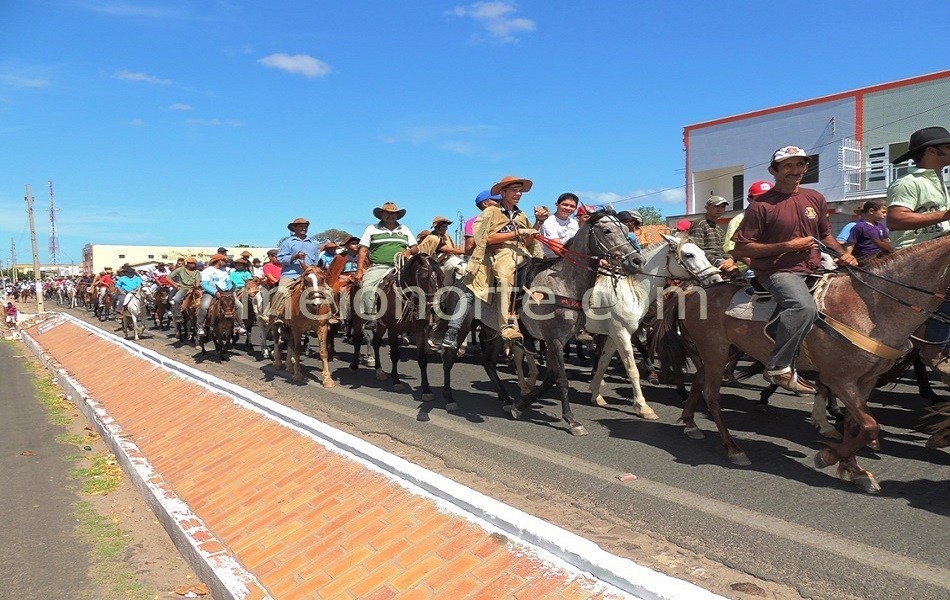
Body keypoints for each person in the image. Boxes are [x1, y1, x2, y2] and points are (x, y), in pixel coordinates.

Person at [732, 145, 857, 394]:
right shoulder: (760, 206)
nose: (795, 170)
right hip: (778, 272)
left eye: (800, 164)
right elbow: (740, 249)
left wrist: (844, 256)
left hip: (814, 267)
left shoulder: (815, 198)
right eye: (787, 165)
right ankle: (778, 366)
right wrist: (787, 246)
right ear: (773, 170)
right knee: (803, 307)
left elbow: (825, 235)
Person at [886, 126, 950, 378]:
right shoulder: (908, 182)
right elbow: (896, 220)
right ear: (932, 151)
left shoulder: (939, 183)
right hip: (914, 256)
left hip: (938, 254)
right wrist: (945, 215)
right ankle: (935, 350)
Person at [461, 175, 540, 342]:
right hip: (502, 253)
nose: (518, 194)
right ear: (503, 193)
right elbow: (485, 238)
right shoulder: (491, 212)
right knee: (504, 279)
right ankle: (505, 326)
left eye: (520, 191)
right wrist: (517, 232)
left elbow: (527, 242)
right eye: (514, 190)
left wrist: (538, 224)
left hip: (523, 253)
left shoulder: (521, 215)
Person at [353, 202, 418, 331]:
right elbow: (363, 250)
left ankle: (425, 316)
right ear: (381, 215)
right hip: (379, 266)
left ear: (397, 216)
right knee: (368, 286)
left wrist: (409, 251)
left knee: (423, 282)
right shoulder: (372, 229)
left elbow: (415, 248)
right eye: (387, 213)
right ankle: (369, 316)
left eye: (393, 214)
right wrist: (360, 270)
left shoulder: (404, 229)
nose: (390, 216)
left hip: (402, 265)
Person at [265, 218, 321, 325]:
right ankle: (275, 315)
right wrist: (295, 256)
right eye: (300, 226)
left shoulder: (313, 244)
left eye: (305, 227)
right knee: (281, 291)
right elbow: (280, 259)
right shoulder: (288, 242)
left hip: (309, 275)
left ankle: (333, 314)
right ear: (294, 228)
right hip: (291, 274)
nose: (304, 228)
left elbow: (316, 261)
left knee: (327, 290)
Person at [724, 180, 773, 273]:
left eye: (769, 197)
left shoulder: (780, 217)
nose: (766, 201)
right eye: (760, 198)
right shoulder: (739, 220)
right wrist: (755, 265)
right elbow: (731, 249)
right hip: (750, 268)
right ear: (750, 200)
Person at [689, 196, 740, 276]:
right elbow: (697, 251)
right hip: (705, 266)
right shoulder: (699, 224)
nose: (719, 209)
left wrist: (730, 259)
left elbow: (723, 249)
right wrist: (719, 263)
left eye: (723, 207)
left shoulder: (718, 228)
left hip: (720, 263)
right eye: (716, 206)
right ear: (707, 207)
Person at [196, 253, 244, 337]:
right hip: (211, 292)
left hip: (225, 293)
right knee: (204, 306)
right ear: (218, 261)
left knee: (239, 305)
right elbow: (205, 284)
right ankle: (200, 327)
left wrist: (229, 290)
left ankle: (239, 325)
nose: (226, 262)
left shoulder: (224, 271)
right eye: (224, 261)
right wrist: (215, 292)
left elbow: (228, 282)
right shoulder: (207, 271)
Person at [841, 200, 892, 264]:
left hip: (880, 256)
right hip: (865, 258)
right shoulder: (859, 226)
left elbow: (886, 241)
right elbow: (850, 245)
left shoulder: (881, 226)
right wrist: (848, 257)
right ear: (871, 211)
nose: (885, 215)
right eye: (883, 212)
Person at [538, 193, 580, 258]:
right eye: (565, 205)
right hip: (552, 262)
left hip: (573, 259)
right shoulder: (549, 222)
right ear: (557, 205)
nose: (568, 208)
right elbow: (559, 251)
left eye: (572, 206)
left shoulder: (574, 223)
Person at [169, 256, 201, 321]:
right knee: (177, 299)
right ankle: (177, 315)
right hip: (183, 288)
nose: (193, 265)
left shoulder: (197, 272)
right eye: (192, 263)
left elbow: (198, 281)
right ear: (187, 264)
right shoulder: (180, 270)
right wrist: (176, 286)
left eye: (194, 263)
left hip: (193, 288)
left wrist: (196, 288)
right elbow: (168, 277)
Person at [229, 257, 254, 324]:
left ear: (244, 266)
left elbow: (250, 281)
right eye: (237, 265)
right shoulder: (232, 274)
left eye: (241, 265)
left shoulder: (247, 273)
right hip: (235, 288)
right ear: (235, 266)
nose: (239, 266)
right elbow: (230, 282)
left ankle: (254, 312)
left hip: (244, 287)